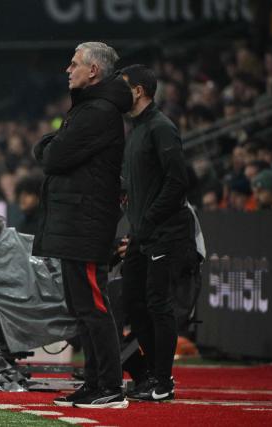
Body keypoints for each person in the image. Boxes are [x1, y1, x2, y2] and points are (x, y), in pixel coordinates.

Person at [33, 42, 132, 409]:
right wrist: (52, 145)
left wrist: (50, 145)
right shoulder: (90, 109)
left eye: (74, 64)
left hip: (87, 222)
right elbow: (54, 151)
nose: (67, 69)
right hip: (79, 221)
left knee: (93, 306)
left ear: (94, 71)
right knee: (83, 307)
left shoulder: (98, 112)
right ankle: (94, 383)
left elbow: (53, 155)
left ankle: (109, 386)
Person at [119, 64, 197, 402]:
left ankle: (163, 381)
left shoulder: (161, 128)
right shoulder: (136, 129)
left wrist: (148, 218)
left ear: (138, 91)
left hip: (163, 231)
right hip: (143, 231)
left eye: (122, 87)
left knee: (157, 303)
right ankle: (152, 373)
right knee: (133, 302)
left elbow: (177, 181)